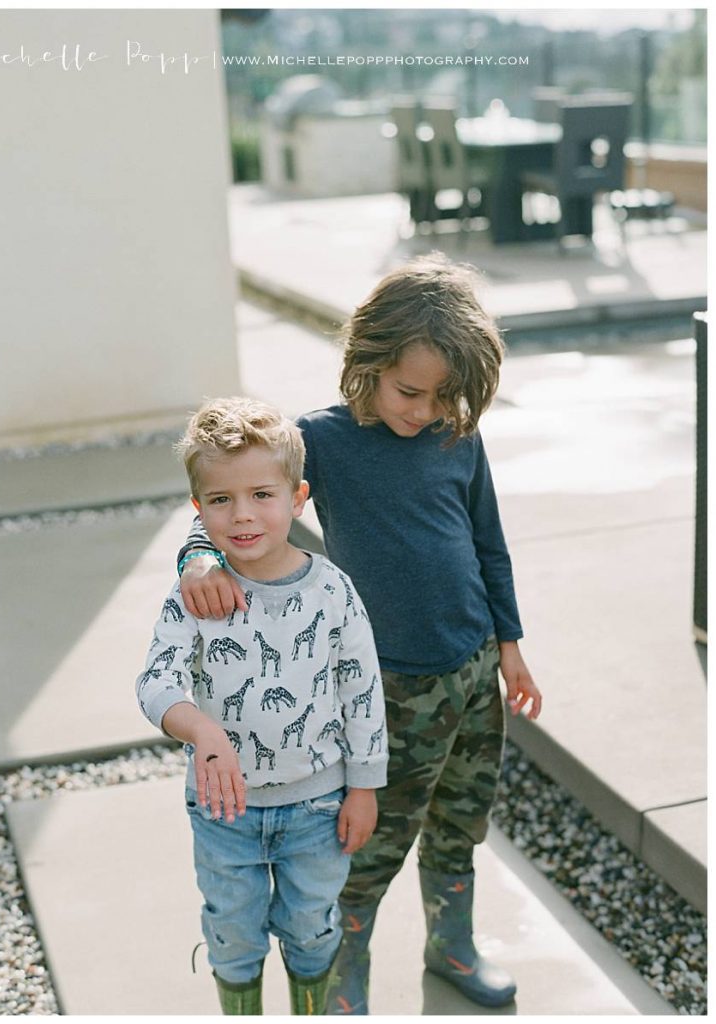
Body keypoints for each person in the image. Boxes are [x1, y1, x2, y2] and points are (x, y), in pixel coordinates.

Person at [175, 254, 542, 1014]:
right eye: (411, 391)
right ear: (368, 361)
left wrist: (509, 647)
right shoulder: (321, 441)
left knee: (459, 827)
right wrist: (202, 556)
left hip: (473, 676)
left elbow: (489, 543)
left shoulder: (456, 435)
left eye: (444, 396)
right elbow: (228, 493)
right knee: (364, 855)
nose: (425, 410)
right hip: (388, 692)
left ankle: (451, 947)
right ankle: (344, 993)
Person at [137, 397, 388, 1016]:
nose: (242, 515)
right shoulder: (197, 594)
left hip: (318, 807)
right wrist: (202, 731)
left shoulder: (332, 590)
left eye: (261, 495)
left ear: (297, 497)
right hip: (225, 811)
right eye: (221, 500)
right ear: (199, 509)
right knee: (233, 933)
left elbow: (361, 690)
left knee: (311, 927)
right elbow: (156, 681)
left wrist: (365, 787)